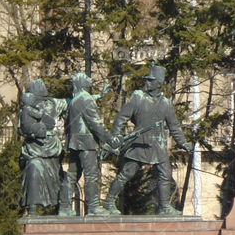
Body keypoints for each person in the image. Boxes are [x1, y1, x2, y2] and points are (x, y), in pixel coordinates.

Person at [103, 65, 193, 216]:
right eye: (147, 80)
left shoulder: (166, 103)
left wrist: (183, 142)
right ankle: (109, 201)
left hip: (158, 145)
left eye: (151, 80)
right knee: (127, 173)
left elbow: (174, 127)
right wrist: (116, 136)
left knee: (165, 174)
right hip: (139, 142)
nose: (147, 82)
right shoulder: (138, 97)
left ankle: (164, 206)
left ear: (159, 83)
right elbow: (121, 118)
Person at [59, 73, 117, 217]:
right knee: (91, 175)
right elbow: (95, 123)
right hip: (87, 143)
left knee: (72, 175)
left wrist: (99, 95)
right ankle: (93, 207)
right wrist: (110, 139)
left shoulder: (75, 99)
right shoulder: (85, 99)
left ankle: (64, 207)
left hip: (75, 142)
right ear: (85, 85)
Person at [18, 79, 67, 216]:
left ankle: (59, 206)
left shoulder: (54, 103)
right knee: (33, 168)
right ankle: (32, 207)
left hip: (51, 149)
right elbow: (22, 129)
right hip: (33, 149)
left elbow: (71, 103)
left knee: (56, 176)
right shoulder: (26, 109)